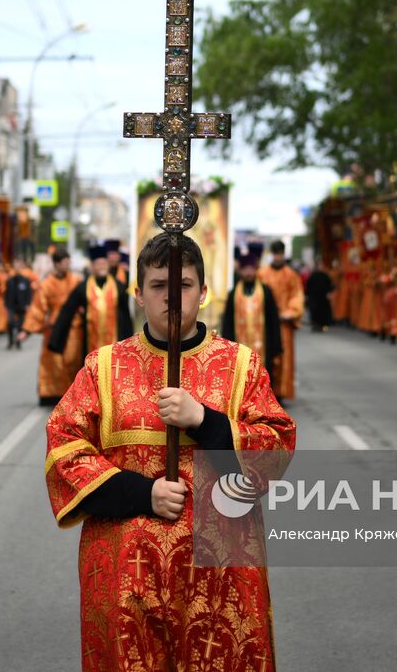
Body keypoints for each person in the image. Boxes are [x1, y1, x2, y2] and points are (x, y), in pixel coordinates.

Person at [44, 232, 295, 670]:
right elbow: (64, 447)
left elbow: (276, 446)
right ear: (139, 294)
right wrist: (142, 494)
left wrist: (205, 420)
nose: (172, 297)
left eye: (184, 285)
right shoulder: (103, 367)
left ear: (204, 292)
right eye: (159, 286)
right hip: (128, 572)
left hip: (221, 573)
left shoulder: (241, 365)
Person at [48, 245, 135, 371]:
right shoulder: (83, 288)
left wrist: (130, 344)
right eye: (98, 264)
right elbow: (67, 312)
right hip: (90, 341)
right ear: (92, 266)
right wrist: (56, 340)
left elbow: (126, 316)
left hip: (115, 341)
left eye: (103, 263)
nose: (101, 267)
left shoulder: (119, 287)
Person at [21, 249, 84, 403]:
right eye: (64, 263)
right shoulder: (46, 284)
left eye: (68, 262)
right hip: (54, 326)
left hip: (73, 326)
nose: (67, 266)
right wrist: (27, 330)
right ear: (56, 264)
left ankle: (73, 394)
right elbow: (38, 307)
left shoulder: (76, 281)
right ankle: (51, 393)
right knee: (53, 361)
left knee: (73, 359)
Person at [219, 244, 283, 385]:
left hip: (264, 346)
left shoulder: (265, 291)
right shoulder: (233, 294)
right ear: (240, 270)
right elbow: (228, 322)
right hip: (240, 346)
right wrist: (227, 347)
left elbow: (273, 320)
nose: (248, 272)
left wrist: (276, 346)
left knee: (264, 379)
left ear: (255, 269)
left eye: (251, 268)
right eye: (245, 269)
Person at [258, 240, 304, 400]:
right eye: (275, 254)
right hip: (266, 323)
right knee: (267, 355)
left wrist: (289, 312)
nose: (278, 257)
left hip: (284, 323)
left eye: (280, 254)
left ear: (284, 254)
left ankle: (281, 392)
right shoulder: (262, 274)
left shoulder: (291, 275)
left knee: (284, 357)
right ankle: (265, 392)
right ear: (272, 254)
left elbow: (297, 296)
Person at [4, 258, 34, 350]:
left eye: (19, 265)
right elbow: (6, 293)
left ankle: (18, 341)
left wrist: (28, 304)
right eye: (15, 265)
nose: (17, 267)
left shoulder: (25, 280)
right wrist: (6, 304)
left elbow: (29, 294)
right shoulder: (10, 280)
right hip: (11, 306)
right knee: (10, 323)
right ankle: (10, 341)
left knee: (20, 325)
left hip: (22, 306)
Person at [305, 257, 335, 331]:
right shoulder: (313, 275)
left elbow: (329, 285)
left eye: (322, 265)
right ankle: (315, 325)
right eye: (320, 265)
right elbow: (308, 285)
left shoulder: (325, 276)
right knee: (314, 311)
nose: (321, 267)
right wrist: (307, 295)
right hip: (314, 297)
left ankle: (323, 326)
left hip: (323, 298)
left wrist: (329, 293)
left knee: (323, 312)